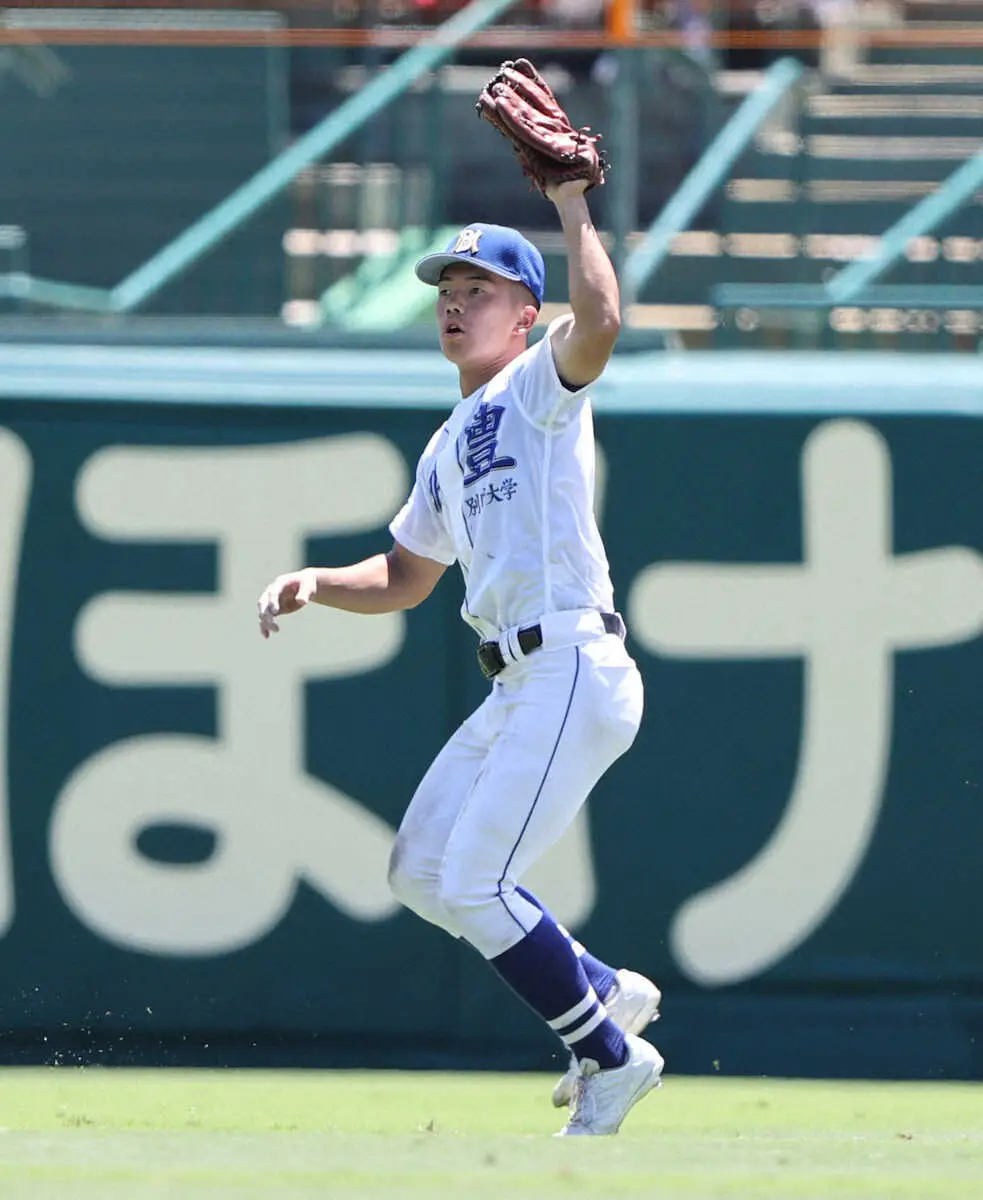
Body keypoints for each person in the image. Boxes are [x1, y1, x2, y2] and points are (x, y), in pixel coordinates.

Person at [257, 180, 663, 1136]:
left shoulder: (536, 389)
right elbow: (405, 575)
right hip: (519, 679)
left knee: (474, 880)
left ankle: (611, 1056)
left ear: (524, 316)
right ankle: (604, 991)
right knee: (419, 870)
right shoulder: (445, 444)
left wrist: (570, 206)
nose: (453, 298)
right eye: (447, 284)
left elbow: (601, 319)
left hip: (569, 659)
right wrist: (319, 580)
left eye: (477, 287)